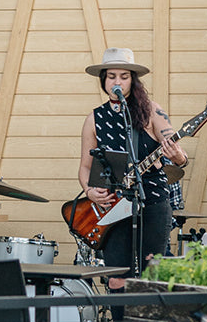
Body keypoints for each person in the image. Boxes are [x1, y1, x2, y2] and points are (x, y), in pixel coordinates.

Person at [77, 48, 187, 294]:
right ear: (103, 80)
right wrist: (89, 191)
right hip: (114, 205)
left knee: (153, 270)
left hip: (153, 201)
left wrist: (177, 155)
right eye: (112, 76)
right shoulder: (94, 118)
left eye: (124, 76)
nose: (117, 82)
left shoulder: (151, 110)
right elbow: (85, 167)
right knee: (116, 274)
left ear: (132, 80)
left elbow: (178, 152)